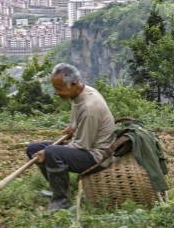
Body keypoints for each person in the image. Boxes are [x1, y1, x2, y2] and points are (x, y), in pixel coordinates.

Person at [26, 63, 115, 211]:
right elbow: (76, 121)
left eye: (59, 89)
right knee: (33, 149)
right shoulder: (79, 94)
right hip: (84, 146)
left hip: (96, 156)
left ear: (73, 84)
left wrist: (49, 152)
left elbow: (82, 146)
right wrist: (73, 127)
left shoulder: (90, 107)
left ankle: (62, 201)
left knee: (50, 152)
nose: (56, 93)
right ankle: (58, 190)